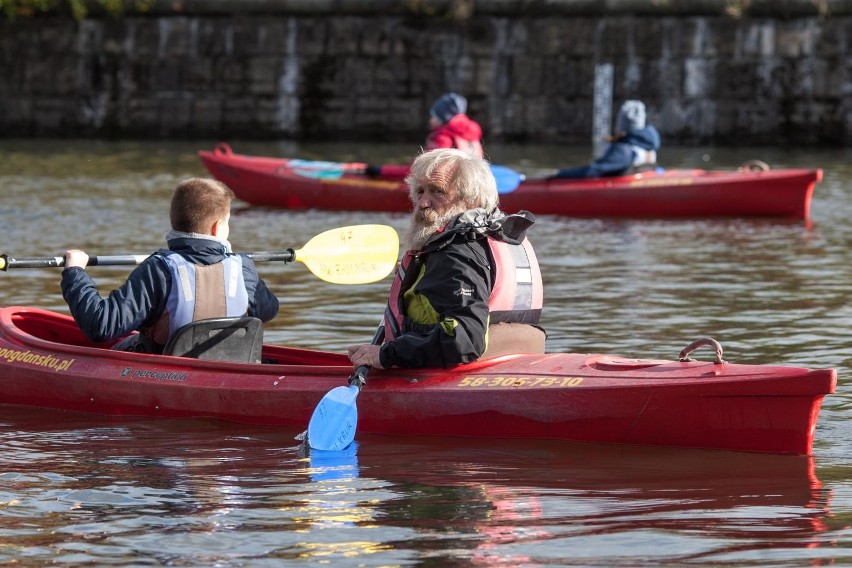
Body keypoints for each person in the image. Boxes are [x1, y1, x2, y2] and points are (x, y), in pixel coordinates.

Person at [348, 148, 545, 370]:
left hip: (455, 379)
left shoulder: (455, 252)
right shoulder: (501, 236)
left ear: (472, 200)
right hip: (518, 368)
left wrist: (385, 355)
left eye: (437, 192)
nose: (423, 203)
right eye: (420, 192)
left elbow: (463, 341)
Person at [61, 177, 279, 354]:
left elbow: (101, 325)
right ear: (216, 228)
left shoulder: (157, 270)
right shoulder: (243, 269)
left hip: (169, 367)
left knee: (118, 347)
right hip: (228, 363)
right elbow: (269, 310)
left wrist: (75, 271)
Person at [365, 92, 484, 177]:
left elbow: (419, 170)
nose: (430, 120)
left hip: (446, 191)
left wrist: (381, 170)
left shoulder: (443, 137)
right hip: (468, 183)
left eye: (434, 115)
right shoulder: (471, 134)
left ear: (443, 118)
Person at [549, 100, 661, 179]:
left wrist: (559, 174)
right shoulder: (648, 146)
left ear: (622, 128)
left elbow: (592, 171)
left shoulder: (623, 151)